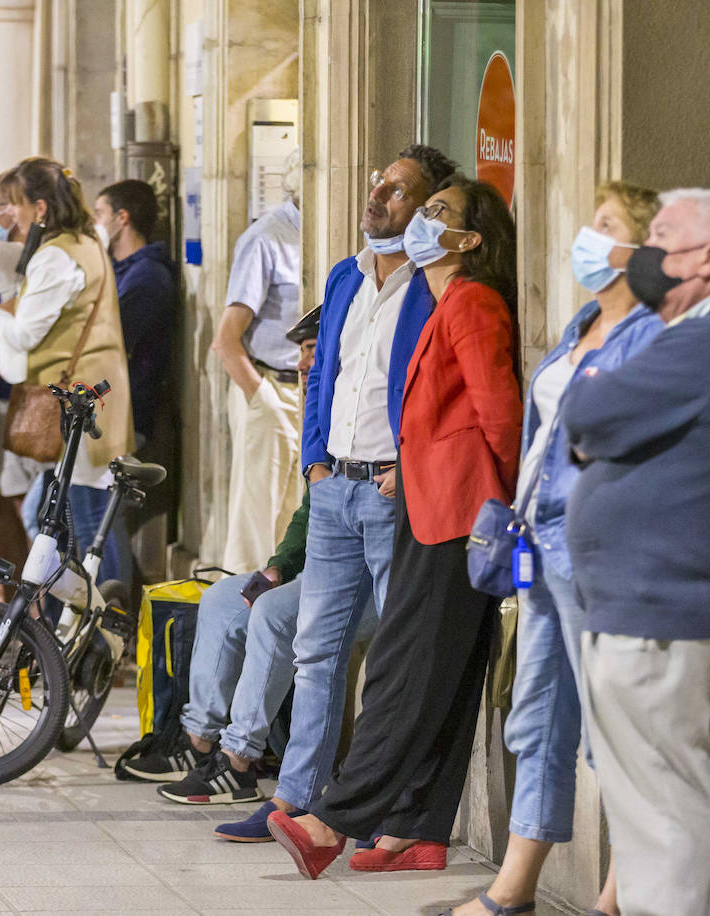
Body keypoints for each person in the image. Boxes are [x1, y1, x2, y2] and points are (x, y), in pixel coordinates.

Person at [268, 175, 521, 878]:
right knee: (444, 673)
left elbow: (499, 414)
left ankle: (332, 821)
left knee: (404, 672)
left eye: (439, 212)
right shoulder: (442, 301)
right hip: (434, 504)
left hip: (459, 509)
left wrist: (502, 498)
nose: (422, 219)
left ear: (468, 240)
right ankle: (419, 831)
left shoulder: (472, 302)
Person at [201, 145, 456, 843]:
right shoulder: (346, 276)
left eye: (400, 190)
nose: (379, 194)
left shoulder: (433, 285)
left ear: (430, 209)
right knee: (316, 650)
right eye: (380, 181)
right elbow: (322, 375)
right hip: (336, 486)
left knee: (395, 658)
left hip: (390, 490)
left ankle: (378, 805)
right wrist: (315, 458)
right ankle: (296, 802)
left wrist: (408, 465)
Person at [560, 188, 710, 916]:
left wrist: (590, 382)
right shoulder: (698, 333)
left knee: (663, 814)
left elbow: (585, 412)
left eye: (662, 242)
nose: (644, 258)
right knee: (649, 813)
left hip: (661, 617)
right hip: (642, 611)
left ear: (709, 258)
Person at [457, 181, 663, 916]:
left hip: (596, 551)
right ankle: (512, 890)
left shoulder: (651, 333)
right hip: (539, 545)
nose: (588, 235)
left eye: (606, 226)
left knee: (614, 729)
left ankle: (616, 897)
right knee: (538, 714)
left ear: (643, 250)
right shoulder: (583, 321)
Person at [124, 308, 376, 804]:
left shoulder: (364, 420)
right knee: (225, 597)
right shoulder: (324, 415)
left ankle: (238, 761)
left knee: (275, 614)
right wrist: (276, 567)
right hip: (325, 568)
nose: (304, 364)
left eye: (312, 352)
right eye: (302, 353)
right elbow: (310, 514)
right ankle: (198, 743)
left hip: (367, 579)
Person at [0, 158, 135, 591]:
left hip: (79, 399)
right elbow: (37, 271)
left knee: (86, 515)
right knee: (78, 512)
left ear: (40, 208)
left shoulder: (55, 257)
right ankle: (90, 624)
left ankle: (101, 628)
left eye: (15, 205)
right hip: (95, 392)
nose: (11, 215)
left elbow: (24, 333)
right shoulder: (86, 239)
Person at [212, 152, 303, 573]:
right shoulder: (266, 237)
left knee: (292, 516)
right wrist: (261, 398)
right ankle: (239, 623)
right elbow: (226, 340)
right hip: (269, 386)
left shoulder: (324, 231)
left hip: (306, 391)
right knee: (256, 522)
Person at [92, 179, 176, 442]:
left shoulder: (147, 276)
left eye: (99, 214)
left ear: (122, 217)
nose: (96, 223)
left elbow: (111, 340)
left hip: (124, 414)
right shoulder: (119, 270)